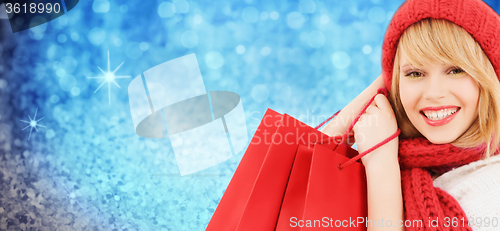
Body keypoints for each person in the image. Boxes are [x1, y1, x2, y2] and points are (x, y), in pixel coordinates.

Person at [321, 0, 500, 230]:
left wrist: (381, 166)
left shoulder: (490, 187)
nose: (434, 93)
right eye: (415, 73)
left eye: (456, 70)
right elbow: (296, 168)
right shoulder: (395, 153)